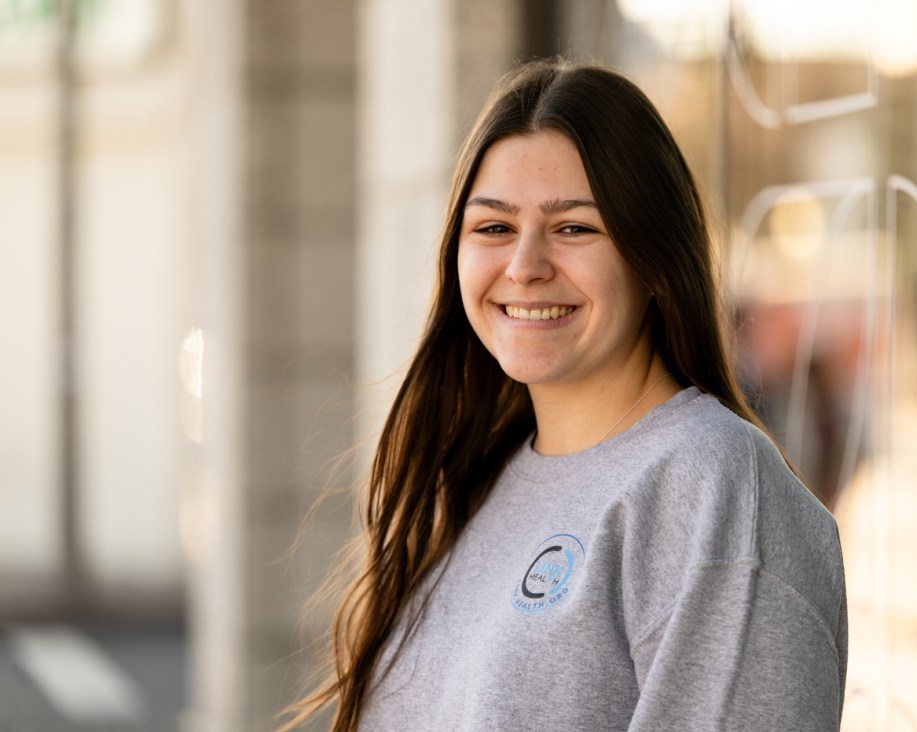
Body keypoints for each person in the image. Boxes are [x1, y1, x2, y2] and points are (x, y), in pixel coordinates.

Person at [291, 58, 847, 731]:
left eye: (574, 228)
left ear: (657, 262)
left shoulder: (715, 487)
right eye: (494, 228)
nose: (525, 267)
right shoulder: (476, 482)